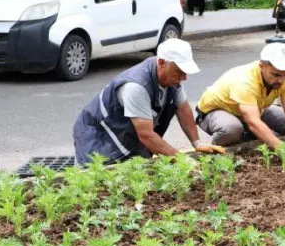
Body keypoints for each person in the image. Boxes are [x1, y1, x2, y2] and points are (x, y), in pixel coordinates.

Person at [73, 39, 213, 165]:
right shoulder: (136, 87)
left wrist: (197, 143)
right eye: (179, 71)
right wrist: (182, 160)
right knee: (102, 181)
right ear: (161, 62)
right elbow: (146, 135)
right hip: (98, 139)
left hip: (124, 136)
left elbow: (183, 109)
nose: (184, 77)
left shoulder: (172, 80)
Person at [195, 43, 285, 149]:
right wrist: (280, 147)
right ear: (262, 66)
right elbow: (253, 122)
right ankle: (215, 147)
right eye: (275, 75)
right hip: (217, 111)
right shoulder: (245, 81)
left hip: (253, 107)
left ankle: (249, 135)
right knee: (232, 130)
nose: (281, 80)